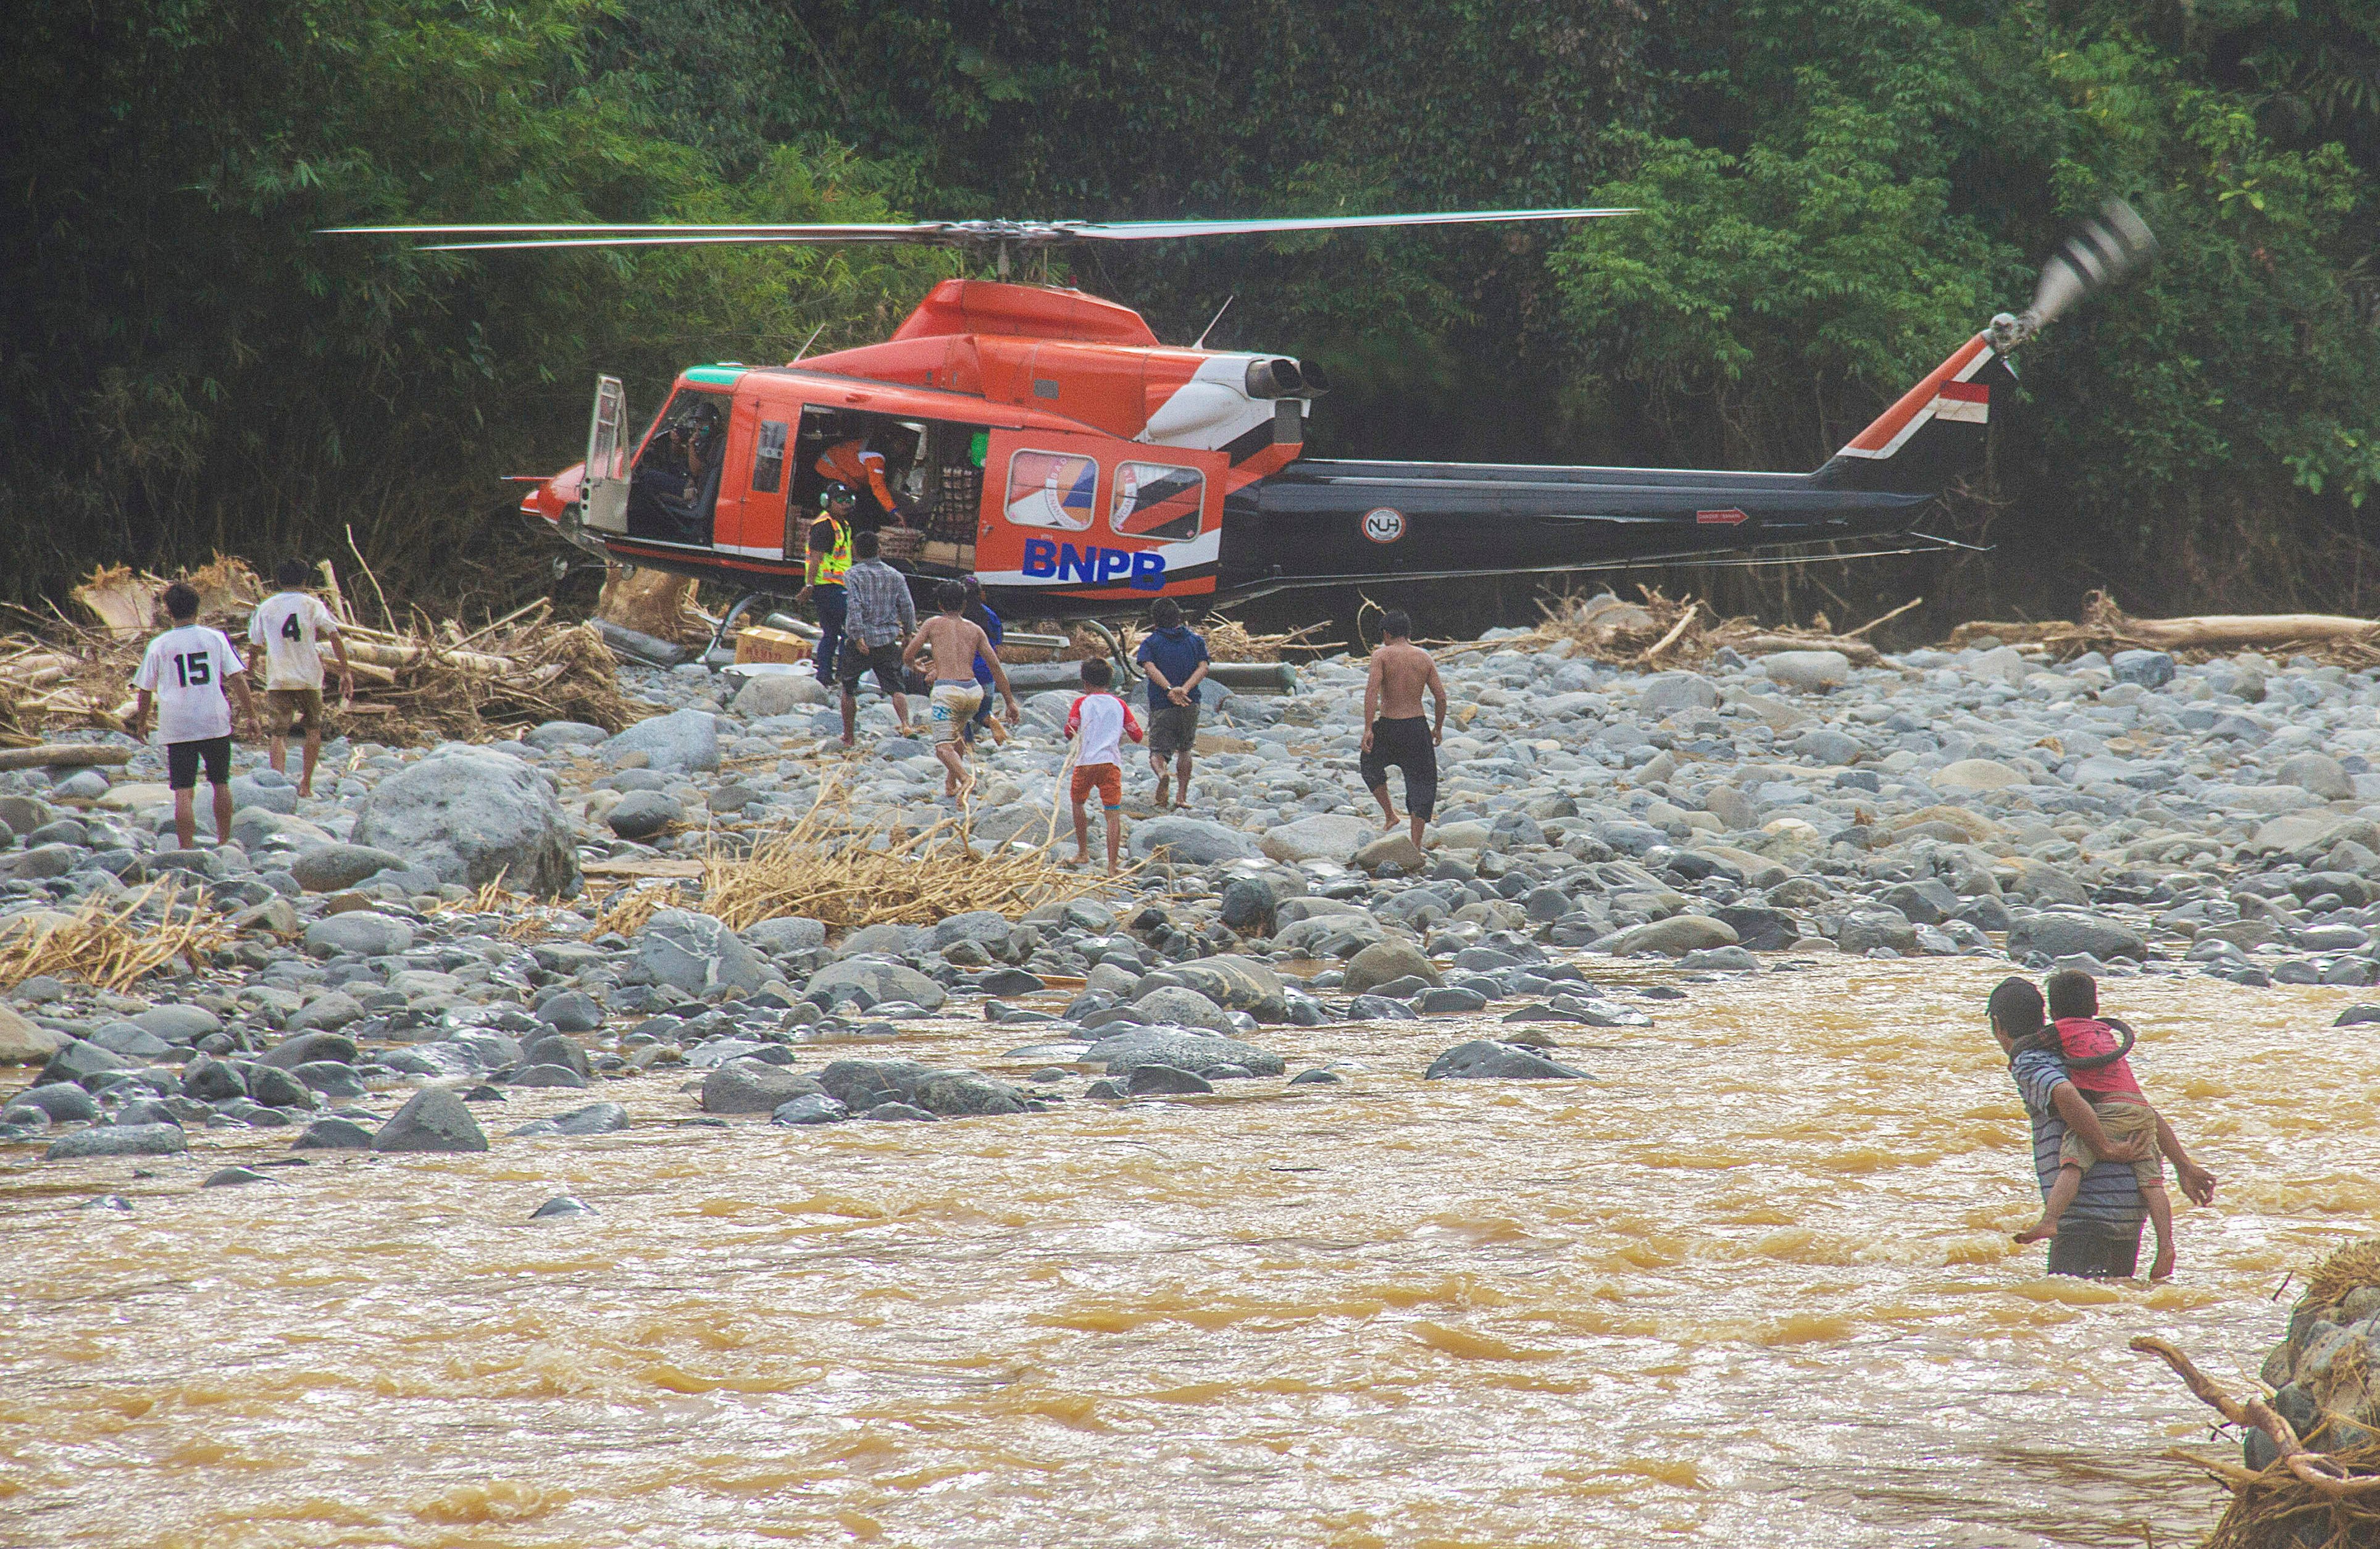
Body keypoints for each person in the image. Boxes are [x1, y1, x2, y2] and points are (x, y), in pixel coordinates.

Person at [1988, 977, 2215, 1280]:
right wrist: (2183, 1166)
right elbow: (2140, 1110)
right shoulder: (2082, 1051)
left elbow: (2064, 1092)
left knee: (2071, 1304)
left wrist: (2103, 1147)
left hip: (2087, 1214)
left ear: (1998, 1026)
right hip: (2129, 1210)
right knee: (2113, 1301)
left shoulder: (2031, 1062)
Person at [130, 581, 258, 850]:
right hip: (213, 720)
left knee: (183, 790)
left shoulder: (159, 644)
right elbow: (238, 679)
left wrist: (141, 722)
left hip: (177, 724)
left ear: (168, 611)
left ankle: (186, 848)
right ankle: (224, 841)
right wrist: (252, 715)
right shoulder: (215, 638)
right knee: (221, 782)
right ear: (198, 608)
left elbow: (145, 689)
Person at [245, 558, 353, 798]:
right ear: (305, 580)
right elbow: (334, 636)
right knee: (313, 729)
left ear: (278, 580)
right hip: (309, 676)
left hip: (279, 676)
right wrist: (345, 670)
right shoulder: (312, 605)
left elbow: (255, 645)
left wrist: (250, 672)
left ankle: (279, 784)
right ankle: (306, 785)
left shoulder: (266, 607)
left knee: (278, 733)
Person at [903, 580, 1021, 796]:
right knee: (957, 736)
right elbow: (995, 666)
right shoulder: (975, 630)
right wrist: (1010, 702)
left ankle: (966, 779)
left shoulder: (932, 624)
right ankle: (951, 785)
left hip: (947, 692)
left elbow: (908, 654)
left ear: (940, 605)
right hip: (973, 692)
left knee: (942, 747)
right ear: (964, 605)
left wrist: (915, 665)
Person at [1359, 609, 1448, 847]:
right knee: (1422, 783)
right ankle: (1415, 845)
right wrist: (1438, 728)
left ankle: (1390, 815)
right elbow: (1441, 698)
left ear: (1386, 634)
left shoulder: (1381, 656)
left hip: (1389, 726)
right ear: (1409, 633)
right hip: (1417, 728)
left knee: (1369, 765)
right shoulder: (1424, 658)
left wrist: (1368, 728)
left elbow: (1371, 692)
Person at [837, 528, 916, 747]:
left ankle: (849, 736)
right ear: (879, 549)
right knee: (896, 686)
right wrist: (908, 632)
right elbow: (907, 606)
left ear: (855, 551)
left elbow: (854, 606)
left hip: (861, 642)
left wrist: (857, 636)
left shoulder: (852, 575)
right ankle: (906, 725)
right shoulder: (896, 576)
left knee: (848, 688)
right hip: (887, 640)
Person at [1064, 659, 1143, 873]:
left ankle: (1083, 852)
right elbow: (1137, 735)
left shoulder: (1081, 703)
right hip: (1110, 763)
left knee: (1078, 803)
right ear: (1109, 682)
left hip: (1086, 763)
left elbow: (1069, 731)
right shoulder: (1120, 704)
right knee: (1112, 814)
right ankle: (1112, 866)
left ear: (1085, 682)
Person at [1134, 596, 1210, 809]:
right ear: (1179, 617)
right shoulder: (1196, 641)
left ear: (1154, 620)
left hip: (1162, 703)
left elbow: (1149, 668)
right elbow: (1204, 667)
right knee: (1185, 750)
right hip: (1190, 702)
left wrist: (1169, 690)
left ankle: (1162, 774)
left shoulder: (1151, 643)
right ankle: (1181, 796)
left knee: (1157, 752)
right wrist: (1184, 689)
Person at [798, 483, 856, 686]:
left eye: (848, 500)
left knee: (831, 633)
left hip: (838, 586)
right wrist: (809, 585)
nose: (845, 504)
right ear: (828, 502)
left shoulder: (843, 525)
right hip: (828, 587)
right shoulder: (824, 526)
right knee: (849, 630)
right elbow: (815, 558)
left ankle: (825, 676)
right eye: (840, 500)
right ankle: (842, 675)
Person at [813, 436, 906, 529]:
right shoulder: (876, 456)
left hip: (842, 474)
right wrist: (893, 511)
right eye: (900, 444)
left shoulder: (877, 446)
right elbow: (878, 486)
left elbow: (874, 485)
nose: (901, 449)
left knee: (866, 503)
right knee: (853, 512)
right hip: (830, 470)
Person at [960, 576, 1007, 748]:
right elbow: (998, 643)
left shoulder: (956, 618)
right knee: (983, 712)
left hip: (964, 671)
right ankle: (992, 721)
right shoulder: (991, 615)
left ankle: (969, 744)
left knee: (961, 712)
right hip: (986, 671)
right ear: (980, 593)